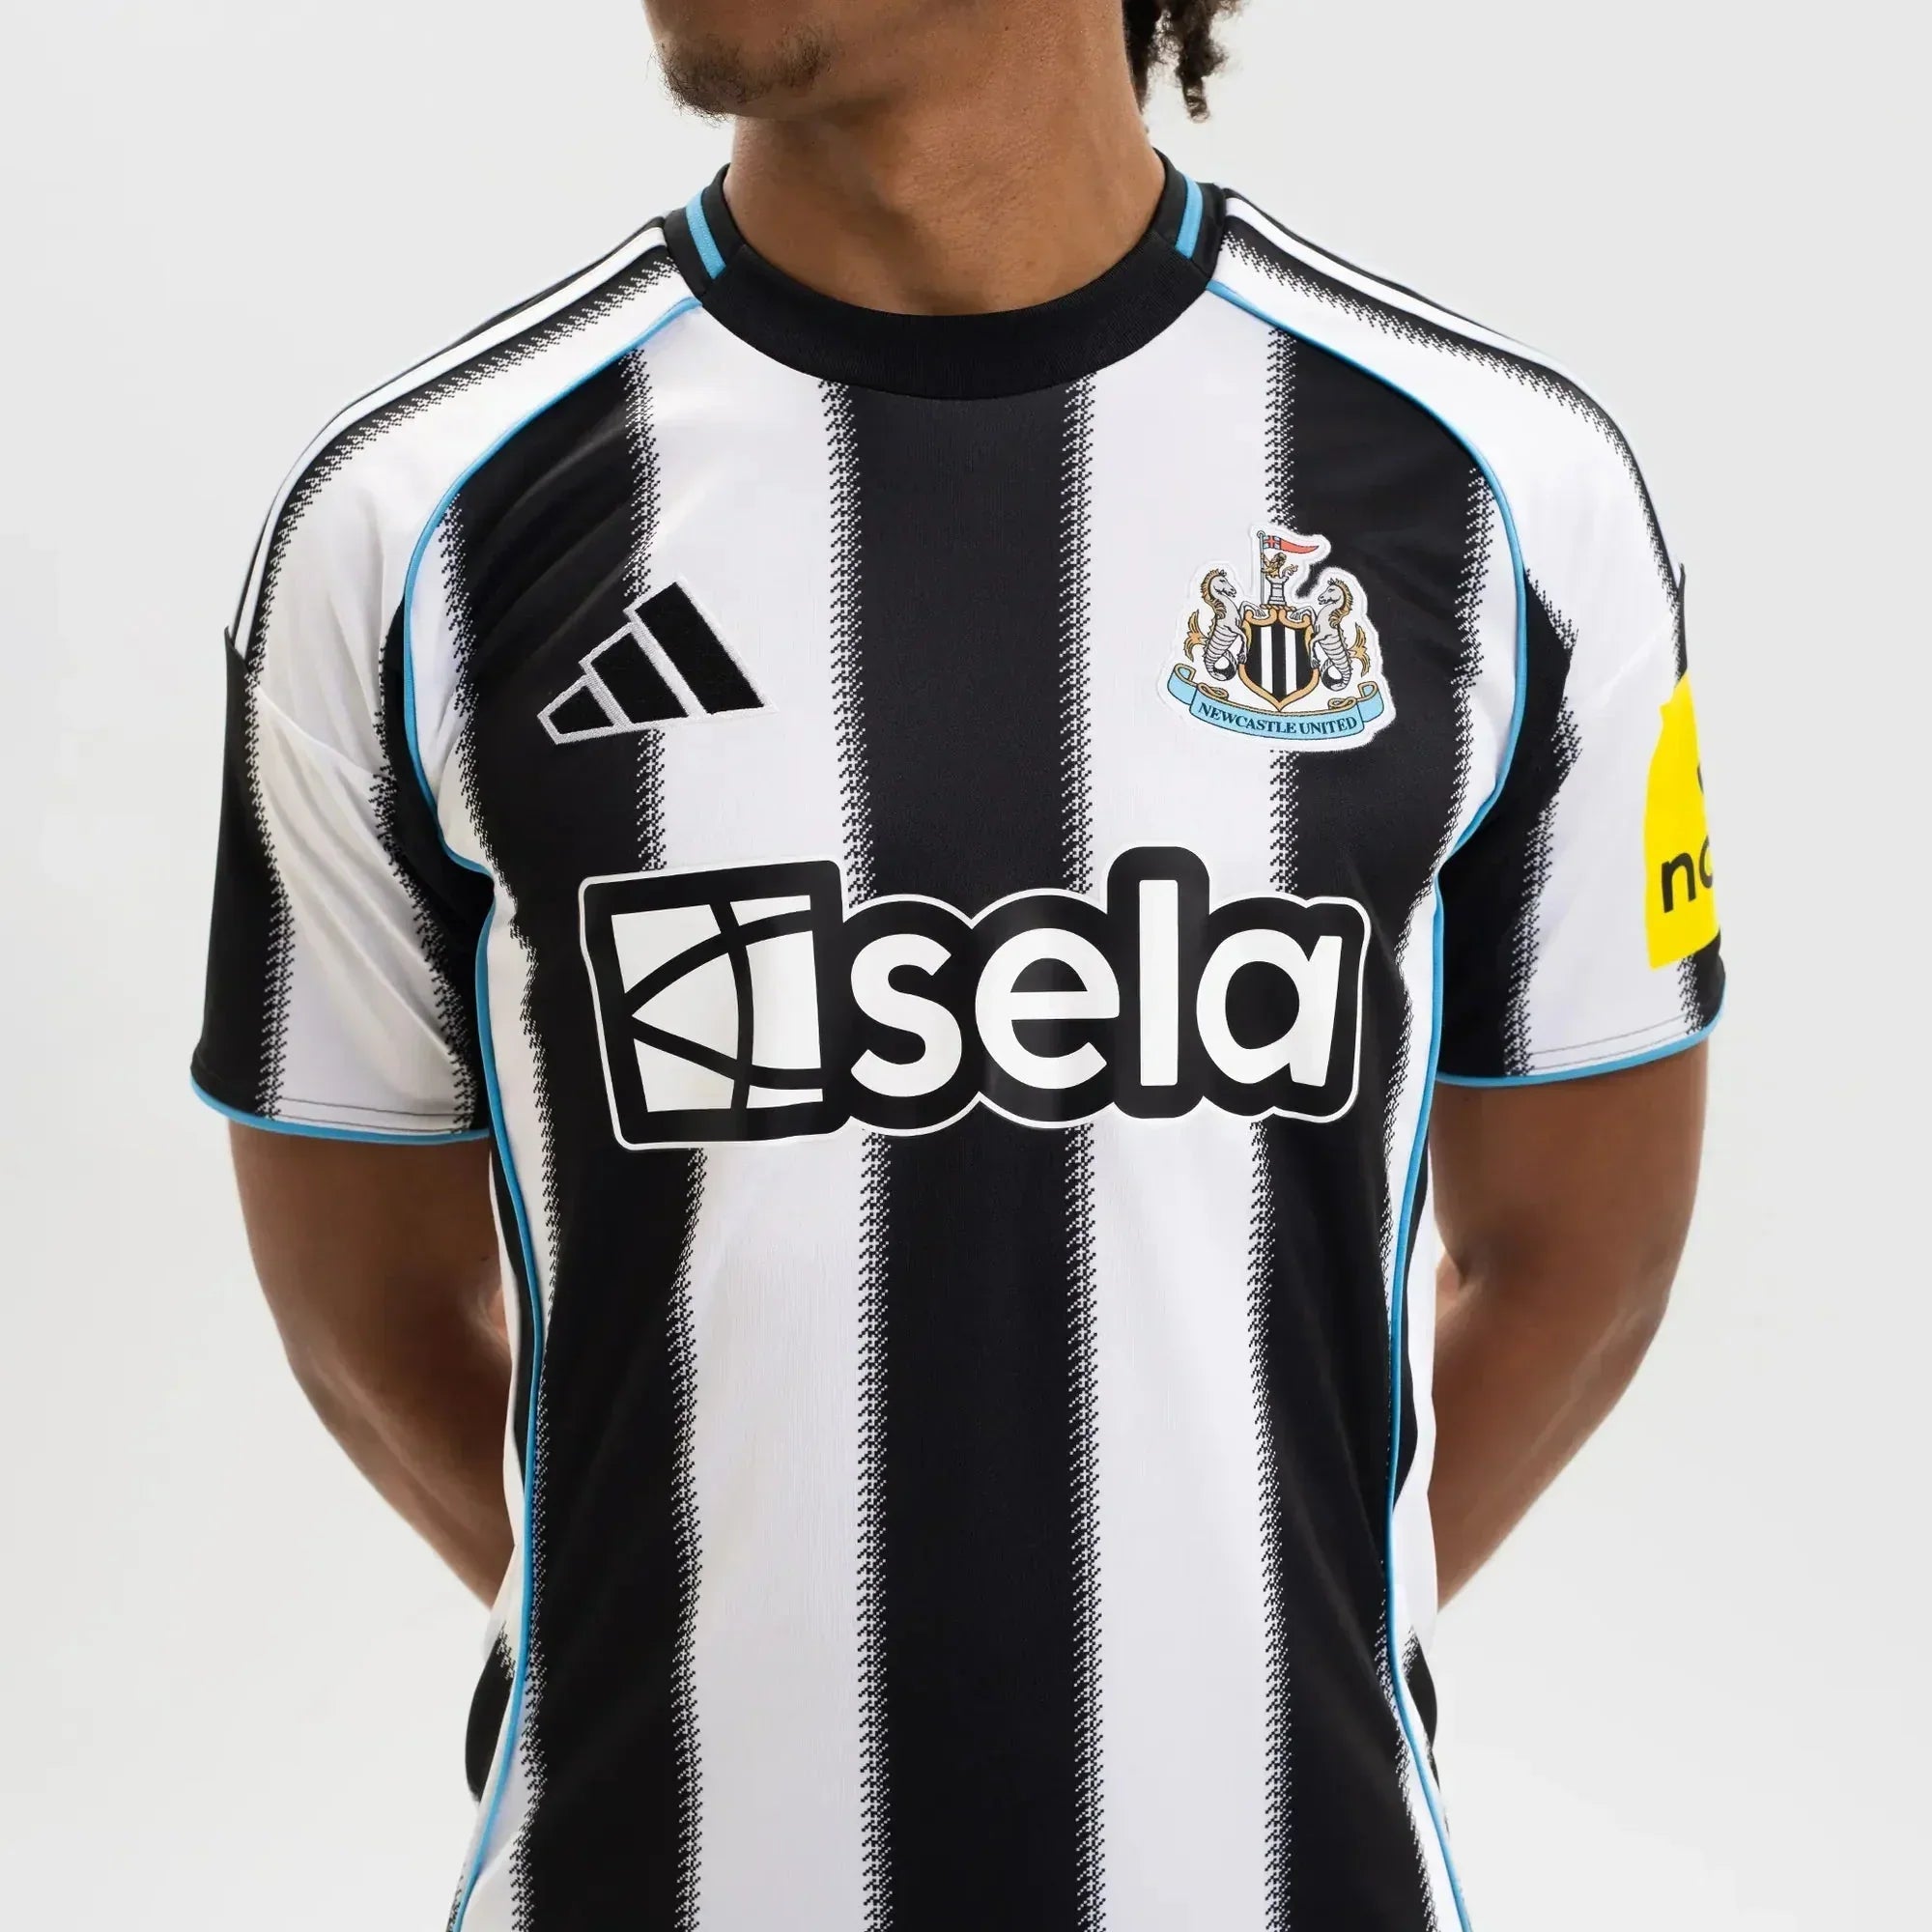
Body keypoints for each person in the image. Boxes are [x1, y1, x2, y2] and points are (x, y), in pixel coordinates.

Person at [190, 1, 1723, 1926]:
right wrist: (710, 1639)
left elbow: (1582, 1254)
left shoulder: (1507, 494)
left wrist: (1257, 1640)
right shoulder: (409, 523)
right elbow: (366, 1302)